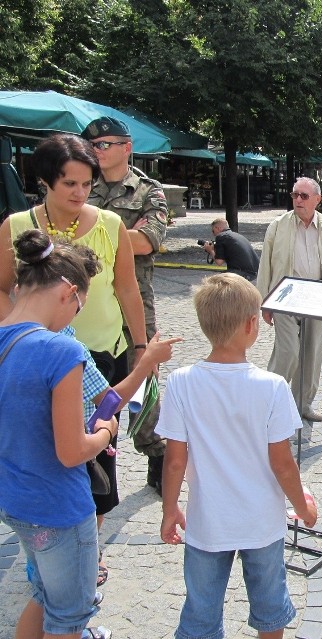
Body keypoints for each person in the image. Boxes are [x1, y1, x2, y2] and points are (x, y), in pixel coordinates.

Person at [0, 133, 146, 584]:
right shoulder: (15, 225)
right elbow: (3, 288)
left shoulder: (108, 223)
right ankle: (43, 539)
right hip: (37, 356)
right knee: (45, 447)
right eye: (70, 184)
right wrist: (27, 333)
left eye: (87, 183)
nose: (80, 193)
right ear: (45, 182)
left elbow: (126, 288)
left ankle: (90, 546)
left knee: (98, 459)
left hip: (100, 353)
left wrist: (140, 346)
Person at [157, 273, 318, 639]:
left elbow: (175, 461)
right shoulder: (272, 387)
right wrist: (303, 507)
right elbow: (282, 463)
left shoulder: (181, 382)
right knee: (269, 608)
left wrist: (170, 508)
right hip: (261, 523)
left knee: (200, 612)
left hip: (207, 521)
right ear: (251, 325)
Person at [0, 229, 117, 639]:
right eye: (80, 307)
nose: (75, 318)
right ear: (68, 291)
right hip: (59, 506)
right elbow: (72, 452)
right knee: (68, 617)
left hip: (15, 499)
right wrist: (103, 432)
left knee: (43, 595)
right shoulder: (60, 350)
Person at [82, 116, 170, 496]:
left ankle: (156, 451)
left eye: (105, 145)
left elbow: (147, 241)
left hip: (134, 298)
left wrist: (93, 227)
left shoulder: (148, 191)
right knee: (88, 375)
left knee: (143, 375)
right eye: (93, 145)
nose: (97, 151)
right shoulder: (81, 184)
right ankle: (92, 447)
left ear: (126, 147)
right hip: (86, 300)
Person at [256, 177, 322, 423]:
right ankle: (268, 400)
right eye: (295, 195)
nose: (298, 200)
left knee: (312, 354)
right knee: (288, 351)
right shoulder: (278, 226)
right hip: (285, 297)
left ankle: (302, 405)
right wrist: (264, 302)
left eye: (304, 196)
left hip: (319, 299)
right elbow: (266, 264)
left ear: (317, 200)